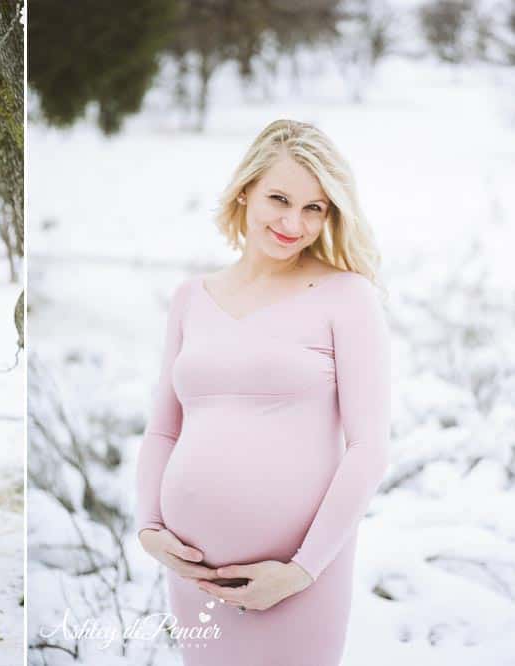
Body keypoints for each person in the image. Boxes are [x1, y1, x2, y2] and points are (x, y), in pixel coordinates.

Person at [135, 119, 392, 665]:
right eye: (279, 198)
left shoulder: (347, 297)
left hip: (299, 577)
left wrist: (301, 570)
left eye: (314, 208)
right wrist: (149, 529)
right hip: (193, 572)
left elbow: (369, 448)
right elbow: (163, 428)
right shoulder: (190, 297)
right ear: (246, 189)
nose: (292, 223)